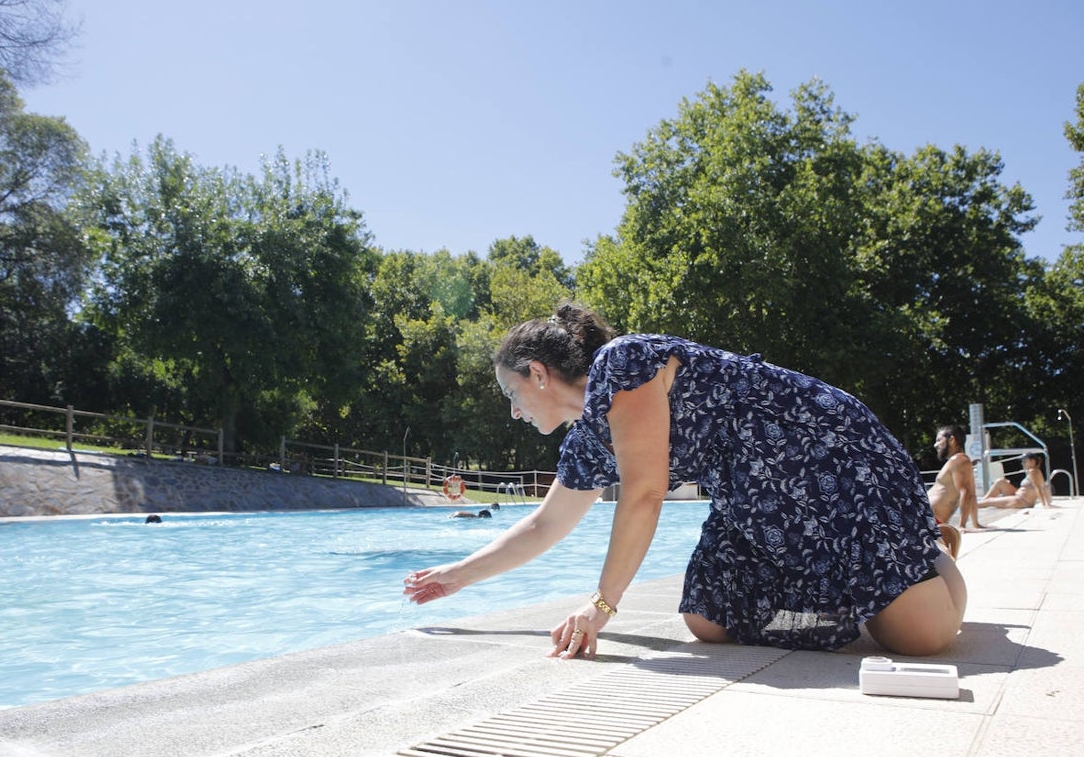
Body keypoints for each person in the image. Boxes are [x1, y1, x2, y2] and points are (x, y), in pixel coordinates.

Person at [404, 302, 966, 659]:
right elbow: (546, 524)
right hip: (755, 498)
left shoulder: (623, 364)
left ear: (539, 375)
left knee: (921, 639)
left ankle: (930, 548)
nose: (513, 413)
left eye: (511, 395)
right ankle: (877, 582)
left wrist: (601, 604)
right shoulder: (586, 442)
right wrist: (456, 577)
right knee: (708, 616)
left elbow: (645, 494)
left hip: (828, 460)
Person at [927, 424, 985, 558]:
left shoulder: (959, 460)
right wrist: (975, 523)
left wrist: (962, 525)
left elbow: (966, 492)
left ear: (952, 440)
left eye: (939, 440)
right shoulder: (960, 461)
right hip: (930, 519)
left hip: (931, 520)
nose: (936, 445)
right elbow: (972, 493)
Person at [978, 453, 1054, 509]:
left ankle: (973, 505)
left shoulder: (1032, 472)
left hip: (1021, 500)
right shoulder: (1036, 471)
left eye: (1025, 461)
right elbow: (1043, 487)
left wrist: (1044, 504)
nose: (1022, 463)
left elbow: (1038, 488)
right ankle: (981, 502)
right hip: (1018, 496)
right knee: (1000, 482)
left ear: (1032, 461)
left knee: (990, 501)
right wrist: (1047, 502)